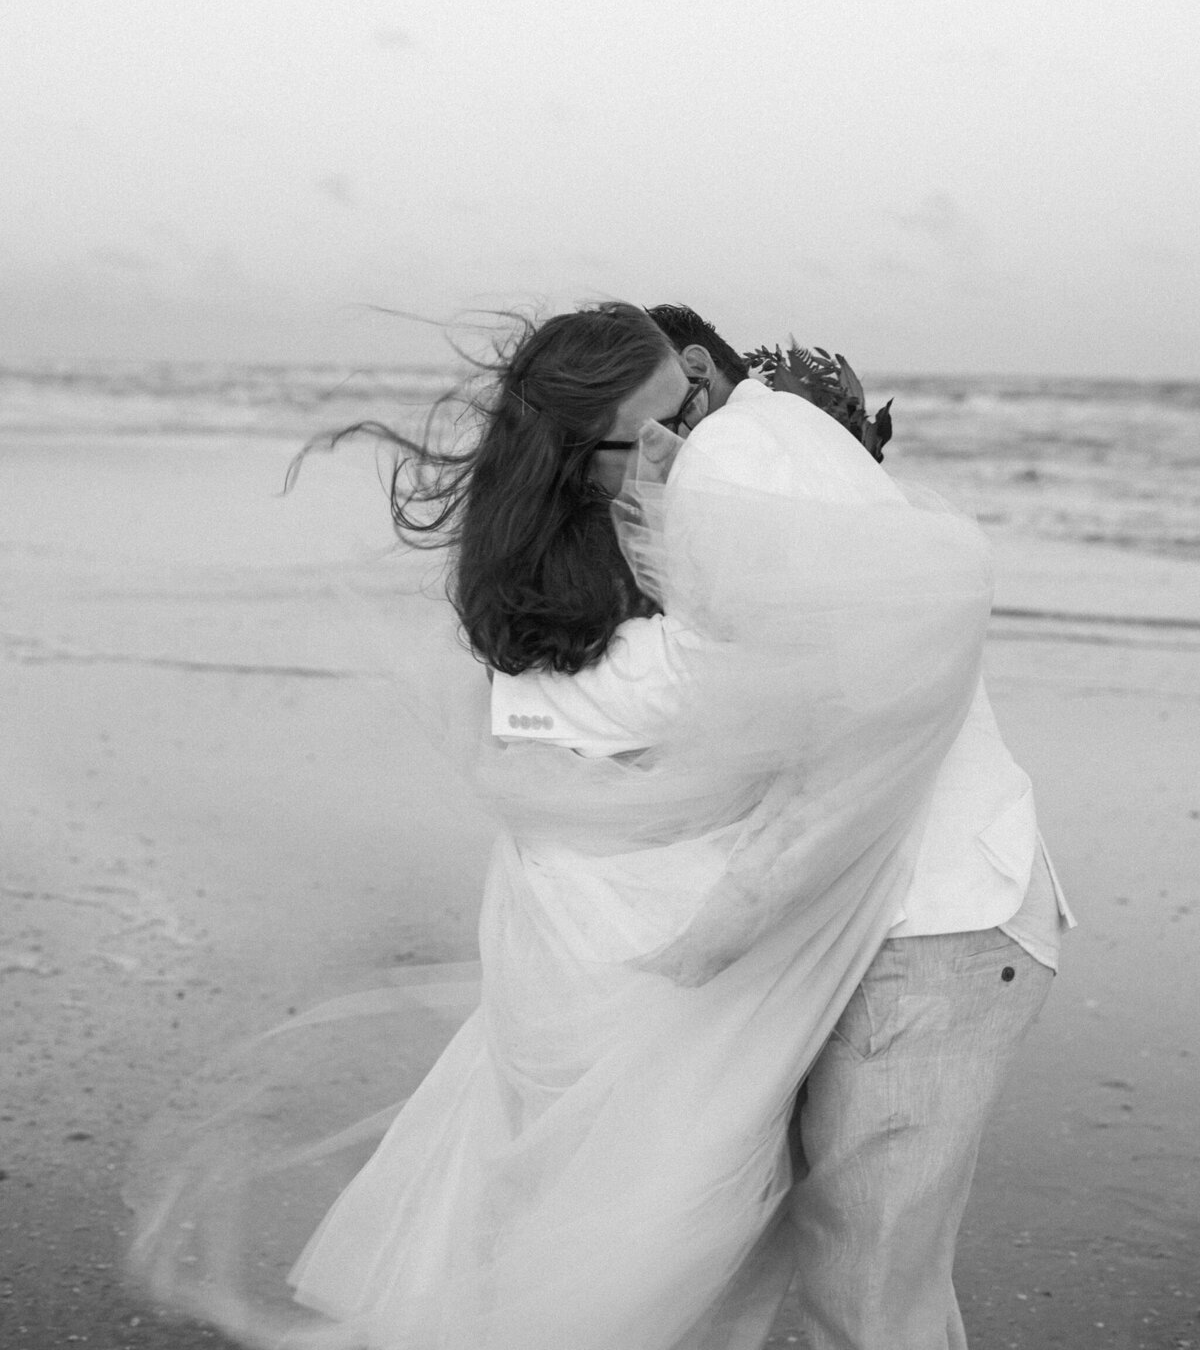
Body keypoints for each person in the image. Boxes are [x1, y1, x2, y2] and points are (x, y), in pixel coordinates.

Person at [130, 301, 1000, 1350]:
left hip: (569, 925)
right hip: (656, 936)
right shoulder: (688, 577)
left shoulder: (531, 599)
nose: (671, 454)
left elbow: (604, 736)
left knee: (589, 1214)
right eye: (646, 436)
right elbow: (799, 711)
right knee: (691, 1243)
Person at [498, 302, 1074, 1349]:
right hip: (897, 922)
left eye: (615, 445)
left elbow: (856, 694)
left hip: (929, 925)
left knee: (864, 1303)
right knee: (862, 1289)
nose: (622, 476)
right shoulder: (764, 443)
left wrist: (723, 925)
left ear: (688, 374)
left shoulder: (738, 465)